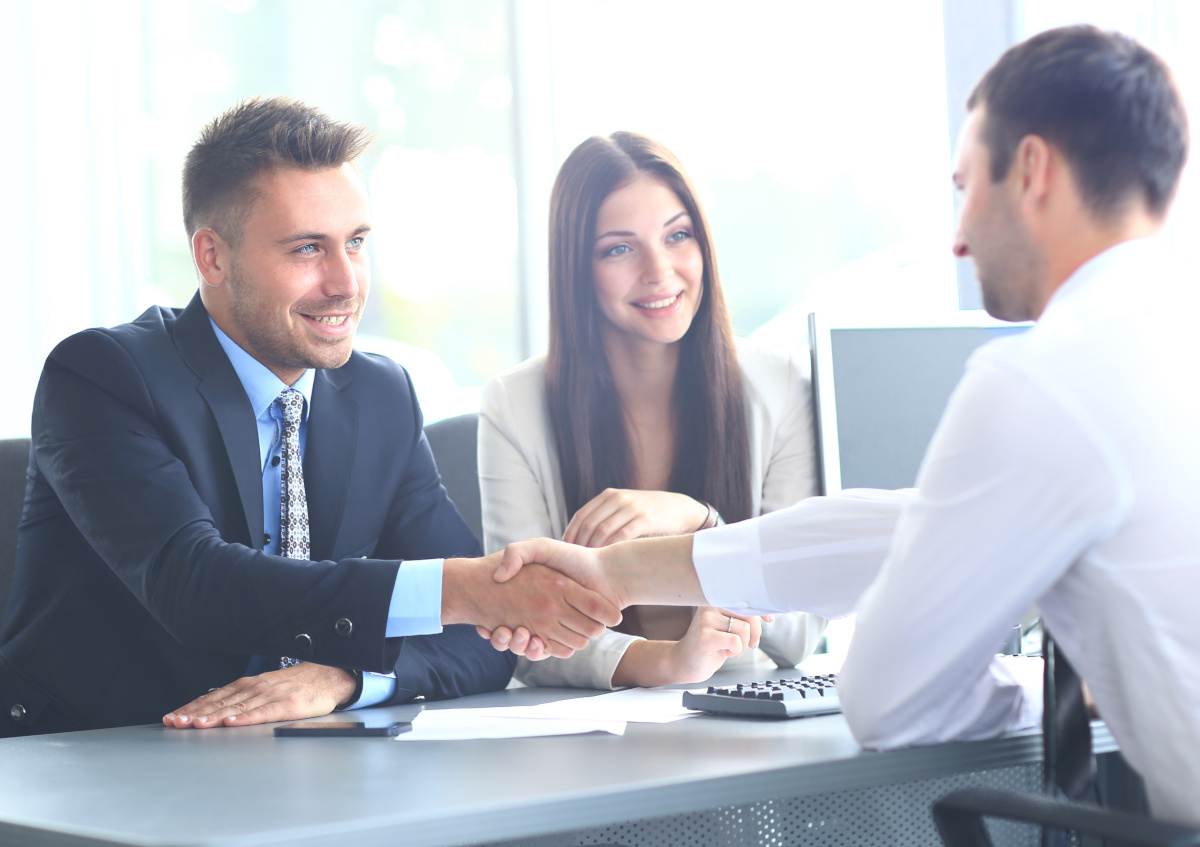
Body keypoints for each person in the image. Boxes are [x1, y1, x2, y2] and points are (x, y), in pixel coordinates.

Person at [490, 27, 1200, 826]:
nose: (958, 236)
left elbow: (891, 699)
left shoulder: (1046, 378)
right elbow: (912, 524)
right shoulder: (1158, 340)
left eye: (965, 186)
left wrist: (1049, 682)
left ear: (1031, 170)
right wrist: (621, 574)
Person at [0, 97, 619, 738]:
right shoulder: (104, 374)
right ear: (212, 257)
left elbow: (482, 643)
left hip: (305, 763)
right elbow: (193, 583)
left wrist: (343, 679)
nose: (346, 282)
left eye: (355, 243)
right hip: (98, 758)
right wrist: (460, 590)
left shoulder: (380, 395)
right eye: (306, 249)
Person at [478, 132, 826, 689]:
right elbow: (524, 630)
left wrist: (700, 521)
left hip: (744, 712)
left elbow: (801, 628)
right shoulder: (513, 404)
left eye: (678, 236)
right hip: (589, 730)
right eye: (619, 248)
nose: (660, 271)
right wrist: (667, 664)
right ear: (577, 268)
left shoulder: (781, 385)